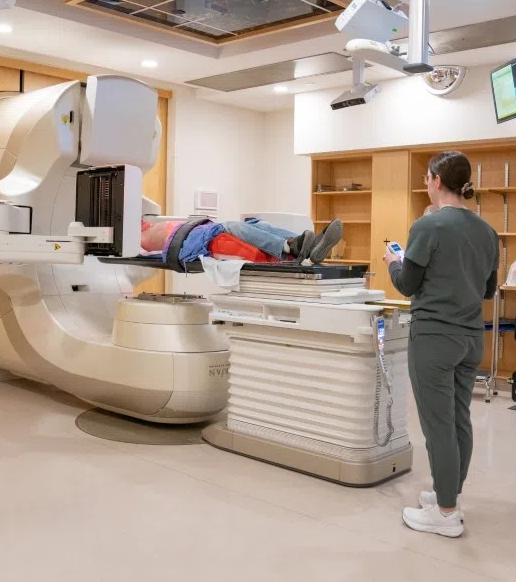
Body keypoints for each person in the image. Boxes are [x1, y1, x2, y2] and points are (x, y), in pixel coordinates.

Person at [382, 151, 498, 538]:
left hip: (434, 337)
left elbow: (407, 285)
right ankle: (449, 495)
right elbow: (487, 289)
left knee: (438, 427)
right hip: (471, 338)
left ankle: (446, 514)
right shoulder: (486, 232)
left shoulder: (428, 227)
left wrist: (392, 261)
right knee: (459, 418)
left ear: (435, 180)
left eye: (426, 178)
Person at [141, 217, 343, 265]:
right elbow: (145, 244)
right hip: (192, 240)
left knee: (256, 223)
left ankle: (306, 244)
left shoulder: (150, 222)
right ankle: (291, 246)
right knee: (231, 226)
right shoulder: (141, 237)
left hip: (200, 230)